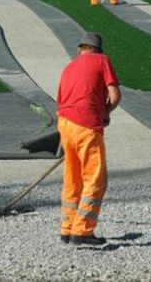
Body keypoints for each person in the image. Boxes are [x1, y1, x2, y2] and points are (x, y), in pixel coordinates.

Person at [56, 32, 121, 245]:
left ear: (80, 49)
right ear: (98, 50)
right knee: (94, 179)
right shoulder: (102, 61)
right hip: (86, 125)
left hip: (65, 123)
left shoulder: (69, 67)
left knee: (72, 177)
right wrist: (105, 114)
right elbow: (115, 96)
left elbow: (63, 101)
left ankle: (67, 228)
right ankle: (82, 231)